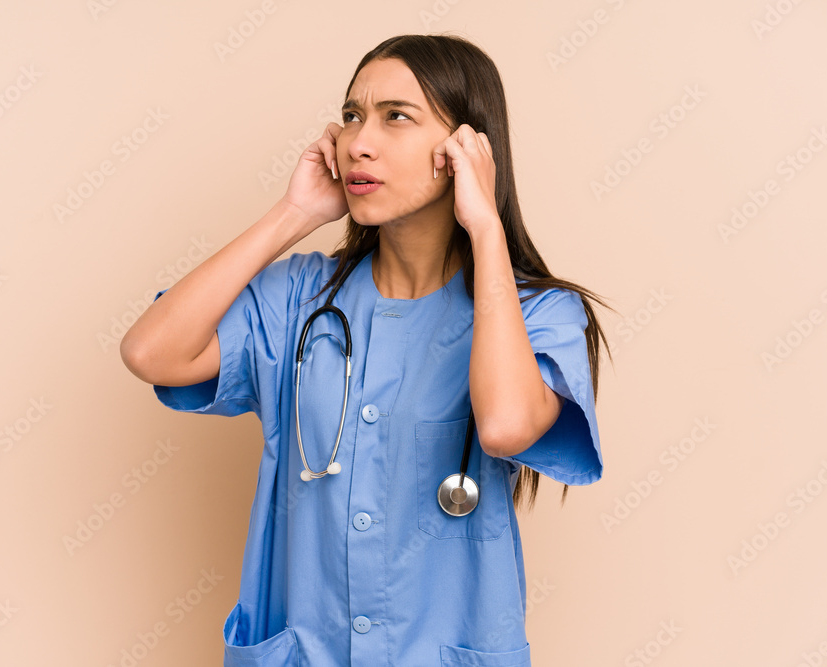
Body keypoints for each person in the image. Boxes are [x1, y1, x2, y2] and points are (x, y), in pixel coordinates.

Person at [121, 32, 613, 667]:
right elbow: (151, 352)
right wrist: (294, 213)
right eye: (352, 115)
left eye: (396, 117)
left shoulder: (536, 315)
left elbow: (505, 426)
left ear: (465, 148)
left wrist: (486, 228)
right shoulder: (300, 298)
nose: (358, 141)